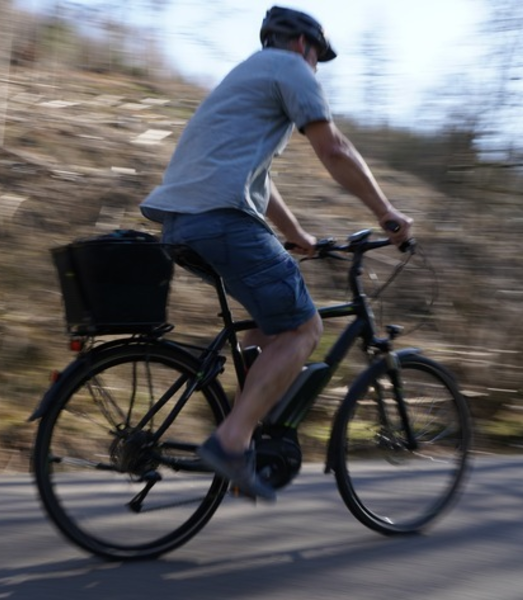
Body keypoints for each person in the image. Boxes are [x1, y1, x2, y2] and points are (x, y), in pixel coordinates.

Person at [139, 6, 413, 500]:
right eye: (318, 59)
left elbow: (259, 181)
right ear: (305, 47)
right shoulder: (289, 69)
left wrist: (297, 234)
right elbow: (335, 150)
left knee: (268, 328)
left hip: (182, 222)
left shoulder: (244, 76)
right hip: (221, 219)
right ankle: (232, 442)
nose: (315, 68)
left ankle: (251, 439)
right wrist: (386, 213)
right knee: (305, 329)